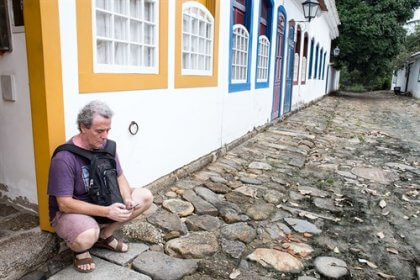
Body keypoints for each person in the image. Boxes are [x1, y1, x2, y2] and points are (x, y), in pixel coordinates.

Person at [47, 100, 153, 273]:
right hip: (72, 211)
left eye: (108, 130)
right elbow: (64, 204)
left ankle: (104, 235)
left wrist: (126, 198)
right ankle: (81, 251)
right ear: (83, 127)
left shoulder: (107, 147)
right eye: (99, 131)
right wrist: (107, 212)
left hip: (104, 199)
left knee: (145, 196)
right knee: (88, 235)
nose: (105, 136)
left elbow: (120, 176)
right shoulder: (64, 157)